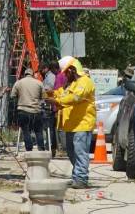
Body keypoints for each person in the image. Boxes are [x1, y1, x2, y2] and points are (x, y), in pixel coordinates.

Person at [47, 56, 96, 189]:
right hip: (71, 125)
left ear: (73, 70)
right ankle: (76, 176)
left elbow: (75, 98)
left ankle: (81, 178)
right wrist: (52, 94)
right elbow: (64, 95)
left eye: (66, 72)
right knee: (71, 152)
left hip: (82, 124)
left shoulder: (85, 82)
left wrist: (57, 101)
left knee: (80, 153)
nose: (65, 76)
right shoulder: (73, 84)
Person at [10, 69, 46, 152]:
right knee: (38, 131)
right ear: (32, 74)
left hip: (23, 110)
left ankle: (29, 150)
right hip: (36, 111)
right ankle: (41, 149)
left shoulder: (18, 83)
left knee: (26, 131)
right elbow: (44, 97)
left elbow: (12, 96)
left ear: (24, 74)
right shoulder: (39, 83)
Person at [42, 61, 60, 155]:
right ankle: (51, 147)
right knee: (50, 128)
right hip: (52, 104)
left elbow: (50, 89)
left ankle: (50, 147)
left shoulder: (51, 76)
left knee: (49, 128)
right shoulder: (50, 76)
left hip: (51, 104)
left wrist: (45, 92)